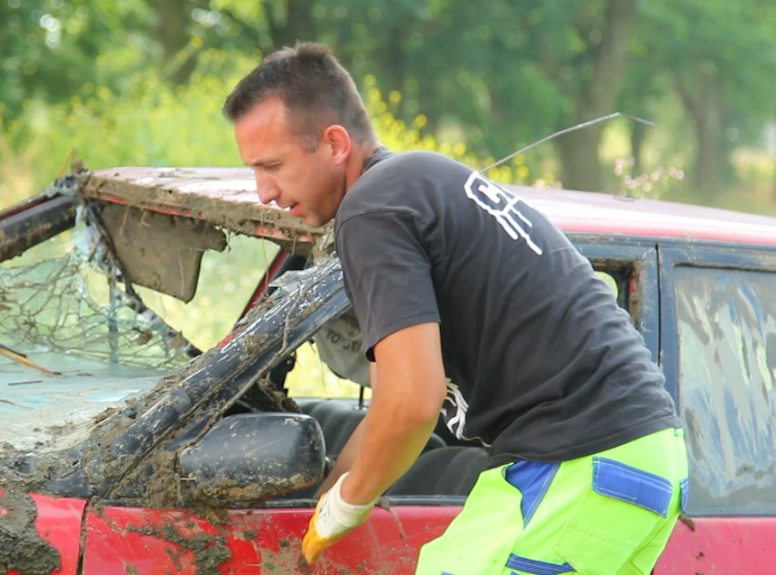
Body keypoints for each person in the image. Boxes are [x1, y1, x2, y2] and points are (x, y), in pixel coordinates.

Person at [223, 42, 688, 575]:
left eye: (272, 166)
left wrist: (345, 508)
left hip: (579, 460)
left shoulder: (372, 210)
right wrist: (326, 499)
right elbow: (388, 407)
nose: (263, 192)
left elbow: (414, 402)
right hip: (640, 458)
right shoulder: (417, 183)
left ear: (333, 143)